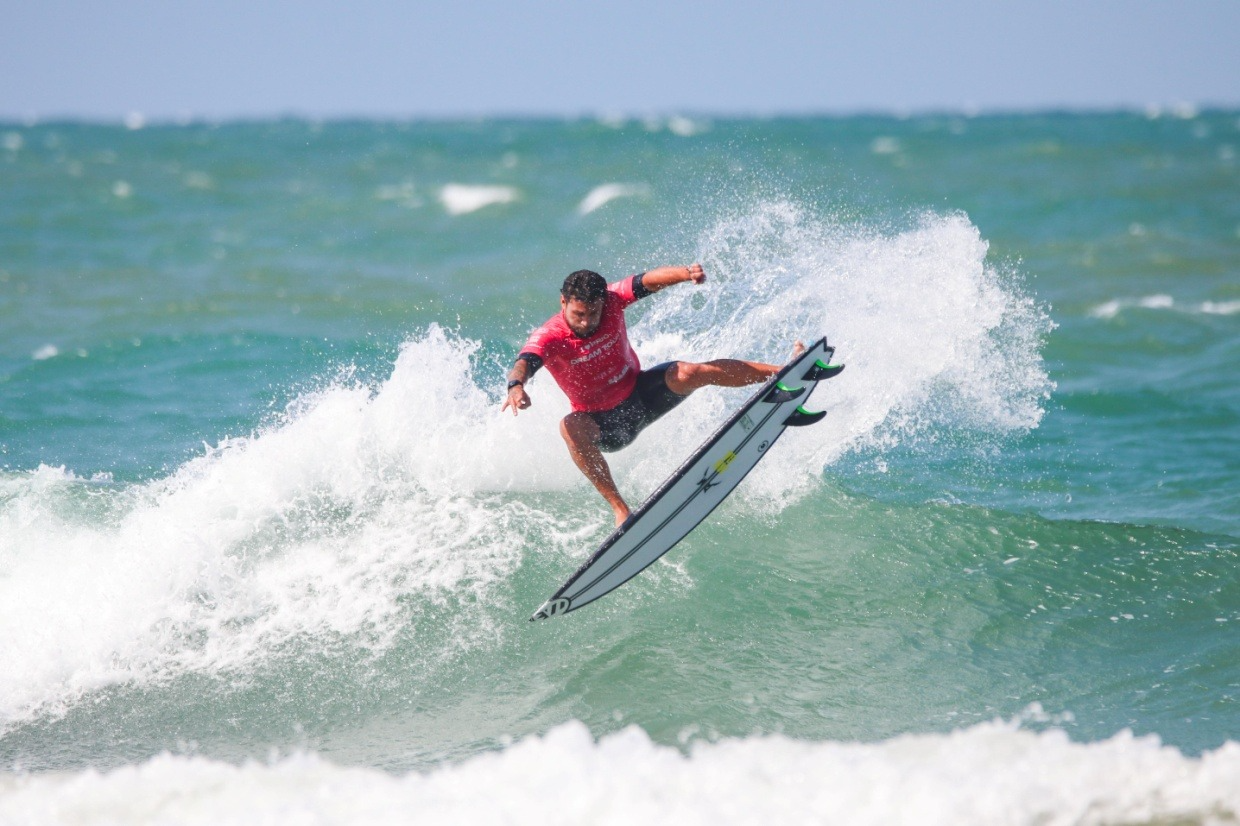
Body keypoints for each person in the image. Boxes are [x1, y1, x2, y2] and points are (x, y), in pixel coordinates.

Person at [503, 265, 797, 526]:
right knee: (569, 426)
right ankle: (621, 511)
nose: (587, 322)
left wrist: (685, 274)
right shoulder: (550, 336)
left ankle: (784, 371)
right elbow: (525, 361)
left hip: (642, 396)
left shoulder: (613, 301)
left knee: (690, 372)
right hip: (605, 425)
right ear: (564, 302)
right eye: (579, 314)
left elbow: (646, 281)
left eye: (594, 313)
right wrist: (516, 386)